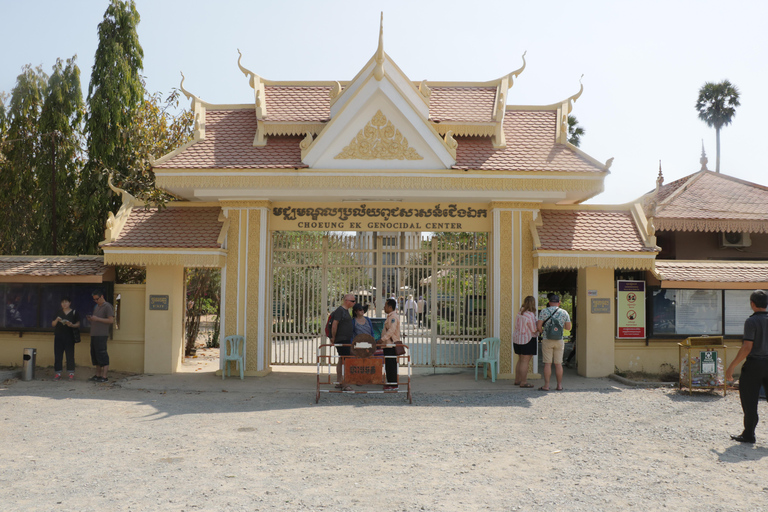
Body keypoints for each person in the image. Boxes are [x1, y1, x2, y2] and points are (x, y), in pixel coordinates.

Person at [726, 289, 768, 444]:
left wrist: (732, 366)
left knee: (750, 401)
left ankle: (749, 434)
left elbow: (747, 347)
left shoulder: (751, 322)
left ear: (752, 304)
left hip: (754, 365)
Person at [537, 293, 572, 391]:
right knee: (558, 363)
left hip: (547, 339)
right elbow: (568, 328)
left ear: (549, 302)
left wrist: (542, 332)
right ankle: (559, 385)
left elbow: (539, 327)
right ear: (559, 303)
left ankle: (546, 385)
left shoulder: (544, 311)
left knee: (547, 363)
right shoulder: (564, 312)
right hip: (559, 340)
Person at [86, 290, 114, 383]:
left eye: (97, 299)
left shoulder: (107, 306)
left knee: (102, 354)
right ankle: (97, 375)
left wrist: (97, 319)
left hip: (102, 334)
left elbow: (111, 320)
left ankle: (104, 376)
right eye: (94, 300)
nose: (96, 301)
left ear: (102, 296)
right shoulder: (97, 307)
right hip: (94, 334)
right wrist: (92, 319)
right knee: (95, 354)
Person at [330, 293, 356, 391]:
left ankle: (339, 382)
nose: (354, 303)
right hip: (342, 339)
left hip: (345, 339)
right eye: (352, 301)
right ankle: (345, 384)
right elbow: (334, 324)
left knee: (341, 360)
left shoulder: (345, 311)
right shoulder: (340, 311)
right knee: (346, 361)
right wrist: (333, 337)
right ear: (346, 301)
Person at [51, 297, 80, 381]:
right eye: (62, 302)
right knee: (58, 355)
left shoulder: (74, 312)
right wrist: (57, 319)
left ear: (69, 303)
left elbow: (78, 323)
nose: (64, 304)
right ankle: (58, 373)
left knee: (70, 355)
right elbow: (53, 324)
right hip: (58, 336)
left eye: (66, 302)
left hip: (70, 336)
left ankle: (71, 373)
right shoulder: (58, 312)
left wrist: (71, 325)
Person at [513, 295, 539, 388]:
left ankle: (517, 379)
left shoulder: (519, 313)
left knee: (520, 359)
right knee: (525, 361)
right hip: (527, 339)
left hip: (517, 339)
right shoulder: (530, 314)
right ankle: (523, 382)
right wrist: (540, 329)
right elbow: (533, 329)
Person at [379, 298, 401, 390]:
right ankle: (390, 382)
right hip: (387, 345)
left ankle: (394, 384)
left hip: (390, 345)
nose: (384, 307)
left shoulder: (393, 317)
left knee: (391, 364)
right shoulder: (390, 316)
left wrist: (382, 339)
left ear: (390, 307)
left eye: (385, 306)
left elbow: (391, 330)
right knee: (388, 364)